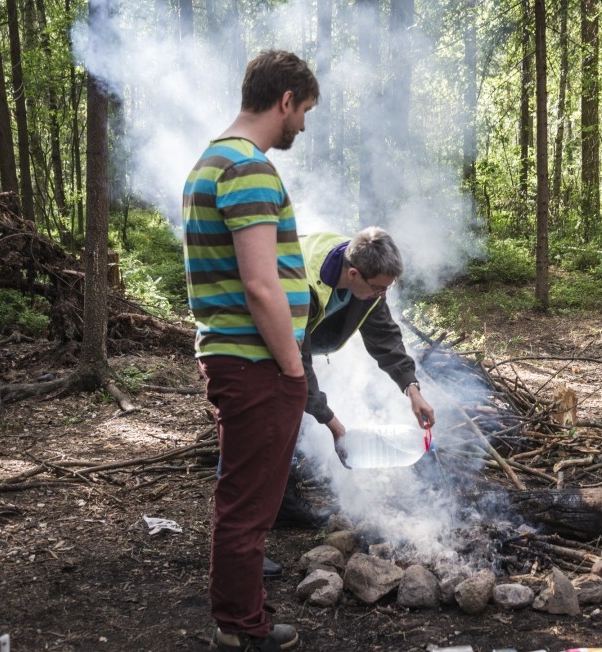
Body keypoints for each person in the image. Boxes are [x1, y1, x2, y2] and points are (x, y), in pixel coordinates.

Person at [183, 49, 318, 652]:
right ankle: (242, 629)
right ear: (284, 100)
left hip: (236, 358)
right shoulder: (249, 168)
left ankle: (239, 616)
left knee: (242, 493)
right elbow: (261, 284)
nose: (304, 127)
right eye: (305, 111)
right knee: (250, 502)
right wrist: (293, 369)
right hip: (258, 364)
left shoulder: (209, 162)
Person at [270, 227, 436, 526]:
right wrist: (332, 423)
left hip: (299, 337)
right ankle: (264, 512)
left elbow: (384, 337)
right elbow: (297, 365)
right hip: (258, 338)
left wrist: (412, 389)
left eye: (387, 288)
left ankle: (276, 496)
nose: (382, 295)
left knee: (290, 409)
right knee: (267, 419)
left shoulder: (366, 277)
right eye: (378, 289)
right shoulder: (300, 284)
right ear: (354, 274)